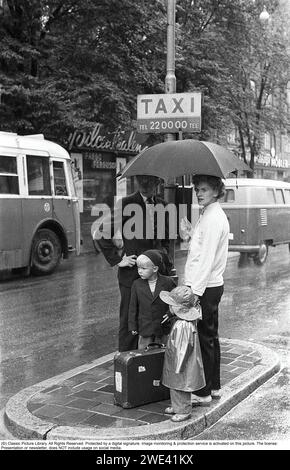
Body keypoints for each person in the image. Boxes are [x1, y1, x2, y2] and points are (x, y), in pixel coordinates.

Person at [97, 175, 173, 352]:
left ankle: (153, 359)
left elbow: (167, 239)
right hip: (131, 275)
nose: (144, 185)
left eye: (149, 181)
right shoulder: (125, 204)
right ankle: (127, 362)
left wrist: (165, 259)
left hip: (156, 275)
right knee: (129, 319)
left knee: (156, 317)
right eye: (141, 181)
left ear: (158, 183)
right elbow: (101, 233)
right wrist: (118, 260)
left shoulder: (163, 206)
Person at [182, 174, 229, 406]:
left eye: (203, 189)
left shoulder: (212, 218)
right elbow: (203, 249)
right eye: (196, 189)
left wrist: (195, 292)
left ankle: (203, 393)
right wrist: (192, 234)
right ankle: (215, 386)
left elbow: (206, 259)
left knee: (203, 340)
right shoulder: (210, 214)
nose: (198, 193)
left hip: (205, 287)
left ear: (216, 191)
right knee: (211, 337)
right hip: (210, 285)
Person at [159, 285, 206, 422]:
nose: (169, 308)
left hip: (181, 363)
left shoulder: (183, 325)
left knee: (180, 385)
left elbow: (184, 348)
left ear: (179, 308)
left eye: (171, 305)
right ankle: (177, 406)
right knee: (175, 385)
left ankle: (184, 410)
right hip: (176, 361)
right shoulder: (182, 322)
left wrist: (178, 365)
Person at [128, 250, 176, 349]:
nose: (139, 271)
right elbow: (133, 307)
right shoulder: (136, 284)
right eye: (138, 268)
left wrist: (171, 313)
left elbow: (175, 301)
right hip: (145, 328)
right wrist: (132, 325)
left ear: (155, 268)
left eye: (143, 268)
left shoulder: (168, 282)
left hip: (163, 327)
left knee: (164, 354)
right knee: (144, 356)